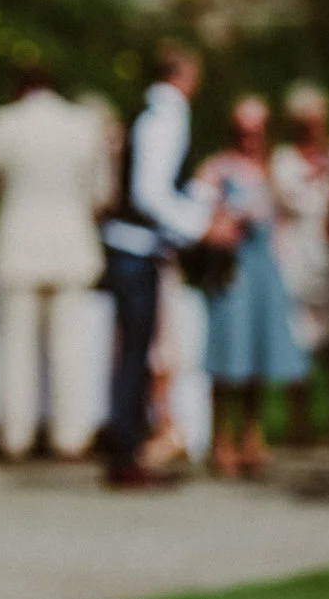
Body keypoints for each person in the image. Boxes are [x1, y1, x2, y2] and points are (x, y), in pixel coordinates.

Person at [0, 62, 112, 461]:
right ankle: (70, 436)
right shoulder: (82, 124)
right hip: (72, 244)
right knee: (70, 350)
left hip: (19, 244)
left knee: (16, 350)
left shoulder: (6, 123)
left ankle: (17, 436)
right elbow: (102, 192)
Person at [100, 43, 234, 488]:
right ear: (185, 76)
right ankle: (126, 453)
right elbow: (150, 193)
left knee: (138, 355)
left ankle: (129, 450)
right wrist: (199, 226)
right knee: (136, 356)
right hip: (135, 250)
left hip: (136, 250)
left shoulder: (152, 115)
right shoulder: (165, 118)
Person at [196, 97, 310, 479]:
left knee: (258, 356)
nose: (251, 138)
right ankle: (221, 438)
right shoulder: (216, 168)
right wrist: (223, 221)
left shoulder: (272, 170)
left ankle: (251, 435)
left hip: (265, 269)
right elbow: (199, 214)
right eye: (244, 131)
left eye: (258, 131)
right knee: (228, 353)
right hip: (233, 271)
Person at [269, 82, 329, 437]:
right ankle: (299, 421)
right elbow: (286, 199)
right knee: (297, 335)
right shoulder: (284, 159)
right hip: (297, 252)